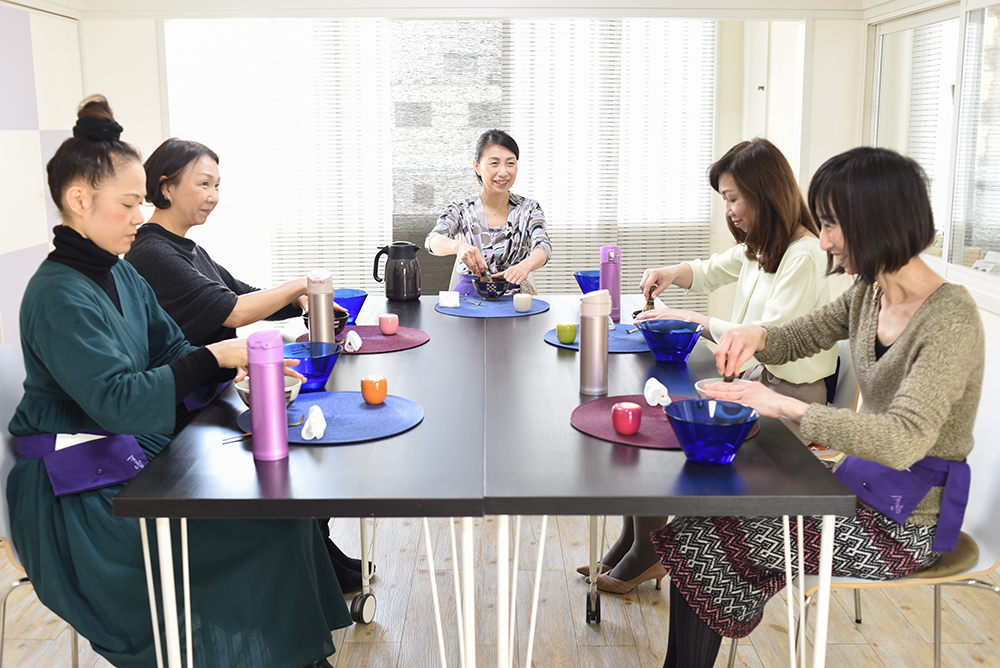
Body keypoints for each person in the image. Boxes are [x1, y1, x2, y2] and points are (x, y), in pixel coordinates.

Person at [6, 96, 352, 668]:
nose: (140, 216)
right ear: (78, 200)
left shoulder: (120, 270)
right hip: (76, 492)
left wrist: (225, 362)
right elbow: (118, 401)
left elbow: (170, 347)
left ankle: (295, 657)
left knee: (279, 513)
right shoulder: (58, 294)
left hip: (127, 453)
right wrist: (215, 355)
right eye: (127, 203)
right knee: (261, 529)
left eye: (141, 202)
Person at [654, 146, 984, 668]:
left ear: (877, 218)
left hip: (907, 525)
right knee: (705, 526)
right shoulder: (870, 295)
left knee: (703, 538)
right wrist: (756, 334)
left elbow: (901, 440)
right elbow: (800, 334)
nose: (824, 239)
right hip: (856, 488)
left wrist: (784, 405)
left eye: (833, 224)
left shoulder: (951, 319)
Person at [586, 138, 839, 594]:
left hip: (788, 398)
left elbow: (771, 341)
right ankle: (638, 539)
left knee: (666, 430)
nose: (730, 211)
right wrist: (669, 273)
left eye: (733, 198)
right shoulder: (763, 246)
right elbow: (705, 271)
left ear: (764, 193)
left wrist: (695, 319)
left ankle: (650, 549)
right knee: (657, 419)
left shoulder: (803, 254)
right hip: (754, 383)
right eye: (724, 200)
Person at [124, 138, 368, 594]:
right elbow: (233, 311)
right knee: (300, 456)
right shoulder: (152, 254)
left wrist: (296, 302)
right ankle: (308, 564)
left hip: (211, 396)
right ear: (166, 187)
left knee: (313, 443)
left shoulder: (186, 249)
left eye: (217, 184)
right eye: (202, 184)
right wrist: (300, 284)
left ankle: (318, 549)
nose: (213, 195)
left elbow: (241, 292)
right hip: (183, 416)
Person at [425, 129, 552, 294]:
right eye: (494, 163)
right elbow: (432, 241)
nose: (503, 172)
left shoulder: (529, 208)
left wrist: (525, 266)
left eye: (510, 163)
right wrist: (459, 246)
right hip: (469, 298)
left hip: (516, 299)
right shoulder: (460, 209)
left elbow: (543, 246)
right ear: (477, 167)